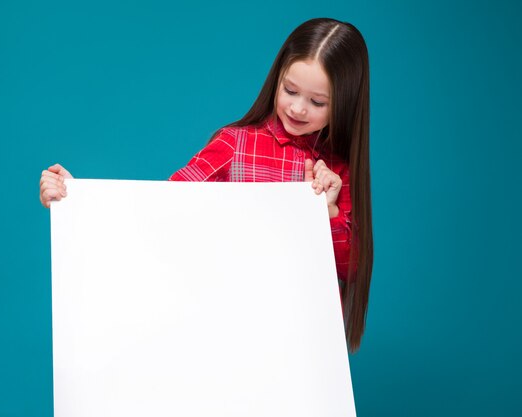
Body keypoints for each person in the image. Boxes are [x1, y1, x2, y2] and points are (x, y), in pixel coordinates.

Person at [39, 18, 373, 352]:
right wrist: (77, 197)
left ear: (344, 102)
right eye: (290, 90)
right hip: (225, 330)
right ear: (277, 79)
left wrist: (326, 211)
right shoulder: (235, 144)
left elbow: (350, 267)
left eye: (317, 102)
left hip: (300, 341)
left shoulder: (338, 170)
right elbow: (161, 205)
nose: (298, 108)